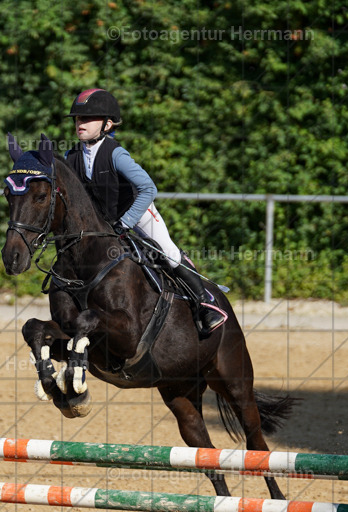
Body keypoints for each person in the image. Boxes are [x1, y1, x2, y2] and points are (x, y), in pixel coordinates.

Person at [63, 88, 227, 337]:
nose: (80, 123)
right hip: (103, 222)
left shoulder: (115, 154)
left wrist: (126, 222)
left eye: (88, 118)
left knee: (167, 252)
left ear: (107, 124)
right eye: (78, 119)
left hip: (136, 213)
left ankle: (205, 302)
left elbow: (148, 188)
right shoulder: (71, 156)